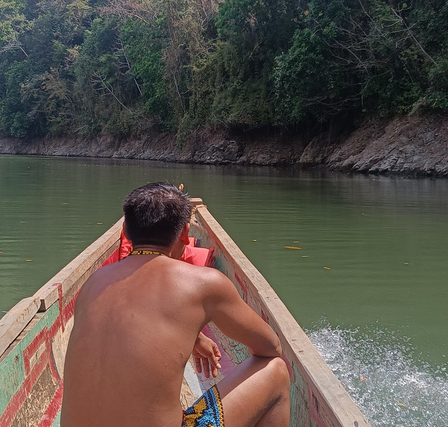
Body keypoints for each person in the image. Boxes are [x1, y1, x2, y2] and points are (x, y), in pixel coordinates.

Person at [61, 182, 290, 427]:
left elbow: (130, 329)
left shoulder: (93, 284)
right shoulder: (203, 283)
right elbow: (270, 346)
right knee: (276, 371)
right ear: (185, 232)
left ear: (126, 231)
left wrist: (191, 337)